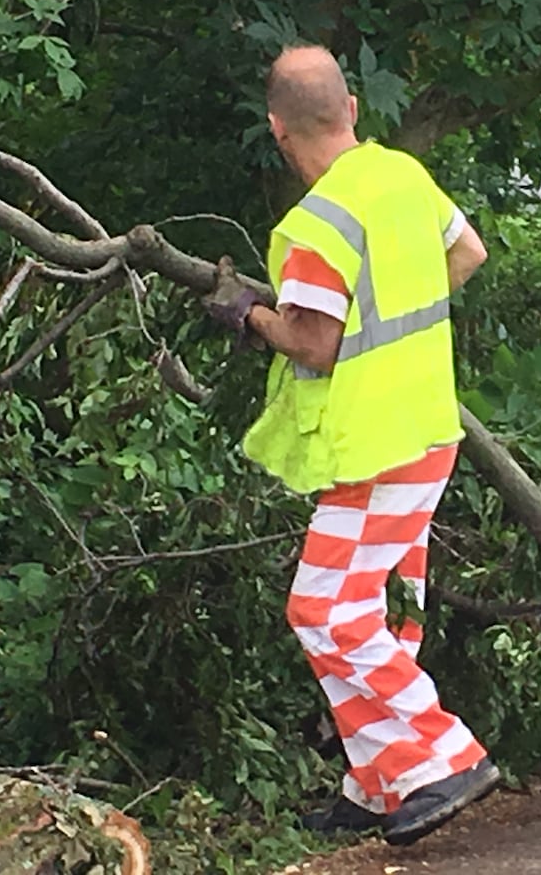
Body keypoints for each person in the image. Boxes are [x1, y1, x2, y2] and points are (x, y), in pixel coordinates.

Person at [202, 44, 497, 847]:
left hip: (372, 444)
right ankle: (375, 784)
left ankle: (442, 757)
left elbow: (314, 343)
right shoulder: (401, 176)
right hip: (424, 426)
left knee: (325, 611)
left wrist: (245, 314)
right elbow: (465, 254)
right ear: (353, 109)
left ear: (277, 128)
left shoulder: (318, 220)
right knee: (380, 613)